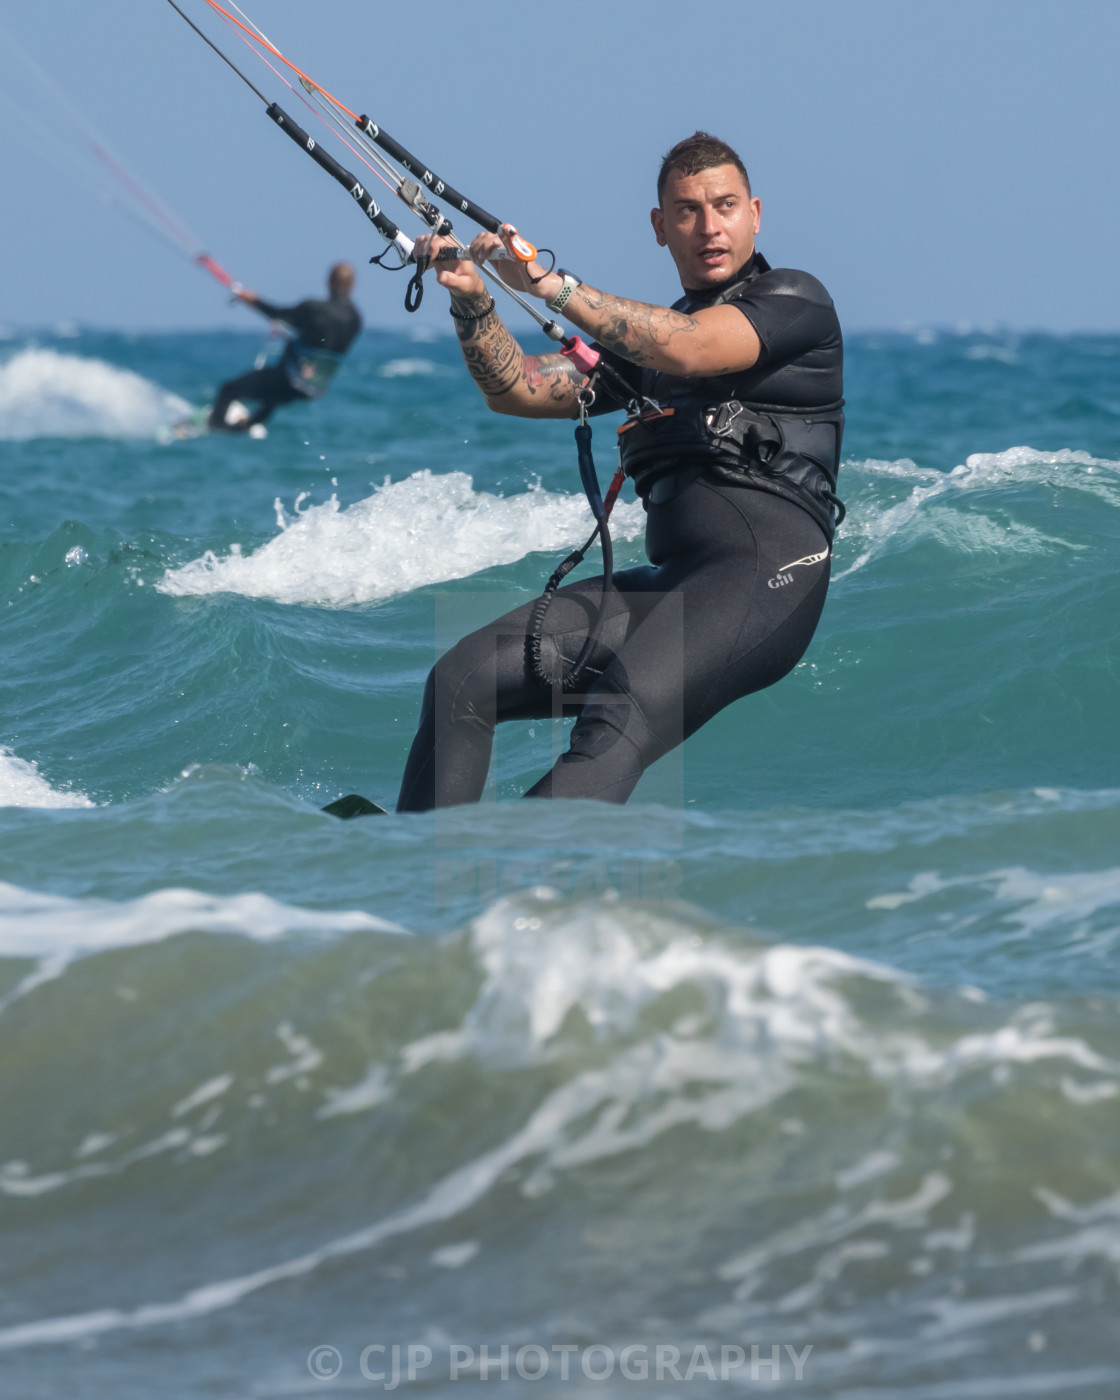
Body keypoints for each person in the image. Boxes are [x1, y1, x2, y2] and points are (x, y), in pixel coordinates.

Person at [396, 131, 844, 811]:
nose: (709, 226)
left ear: (756, 212)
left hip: (765, 580)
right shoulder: (648, 341)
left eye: (724, 206)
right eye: (687, 211)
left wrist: (550, 285)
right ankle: (417, 869)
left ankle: (515, 891)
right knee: (464, 675)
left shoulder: (794, 304)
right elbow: (518, 388)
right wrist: (472, 299)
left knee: (614, 719)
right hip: (677, 584)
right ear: (661, 227)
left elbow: (693, 349)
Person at [208, 262, 362, 432]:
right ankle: (249, 424)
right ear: (353, 285)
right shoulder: (356, 320)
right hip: (313, 388)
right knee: (273, 389)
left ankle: (214, 427)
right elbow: (324, 341)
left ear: (329, 281)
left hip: (288, 380)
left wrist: (251, 299)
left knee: (228, 390)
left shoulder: (313, 309)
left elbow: (276, 313)